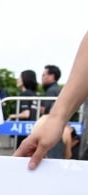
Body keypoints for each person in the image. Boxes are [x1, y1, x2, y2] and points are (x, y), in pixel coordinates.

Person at [14, 31, 88, 169]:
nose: (42, 78)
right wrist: (56, 119)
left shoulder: (51, 91)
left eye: (44, 74)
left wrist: (56, 118)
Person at [6, 70, 38, 149]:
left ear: (25, 79)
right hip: (32, 130)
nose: (17, 79)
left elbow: (26, 114)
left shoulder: (25, 94)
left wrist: (12, 116)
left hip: (23, 132)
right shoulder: (34, 94)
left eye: (20, 77)